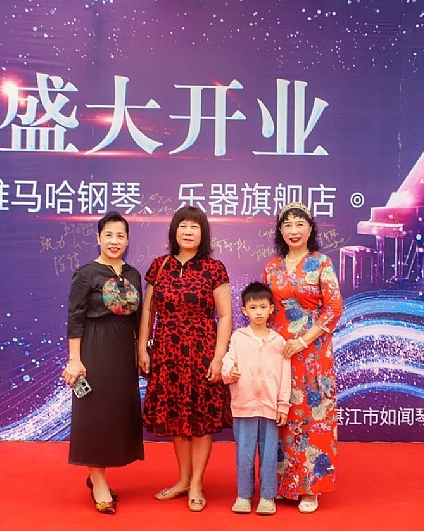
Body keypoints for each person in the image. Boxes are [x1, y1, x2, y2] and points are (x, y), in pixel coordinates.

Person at [137, 206, 233, 513]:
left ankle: (196, 484)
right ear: (174, 231)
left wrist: (219, 357)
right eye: (183, 226)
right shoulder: (159, 266)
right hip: (167, 353)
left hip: (202, 352)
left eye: (194, 227)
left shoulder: (214, 268)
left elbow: (225, 315)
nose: (188, 232)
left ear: (203, 233)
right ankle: (182, 480)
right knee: (177, 418)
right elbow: (148, 311)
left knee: (201, 421)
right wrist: (143, 349)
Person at [262, 202, 344, 514]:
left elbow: (334, 308)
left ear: (310, 229)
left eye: (300, 224)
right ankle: (282, 484)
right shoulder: (272, 267)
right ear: (280, 231)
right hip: (279, 350)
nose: (294, 231)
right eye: (287, 225)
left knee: (312, 415)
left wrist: (303, 341)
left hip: (313, 352)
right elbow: (264, 308)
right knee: (281, 414)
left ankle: (310, 486)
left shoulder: (322, 263)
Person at [62, 211, 144, 515]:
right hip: (94, 349)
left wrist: (141, 352)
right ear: (98, 238)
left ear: (127, 240)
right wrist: (75, 360)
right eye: (108, 234)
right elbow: (75, 318)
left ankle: (97, 475)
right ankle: (98, 482)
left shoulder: (133, 274)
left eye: (120, 235)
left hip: (123, 351)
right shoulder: (86, 274)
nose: (114, 241)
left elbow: (139, 318)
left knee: (115, 414)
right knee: (94, 415)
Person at [221, 282, 290, 516]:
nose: (258, 312)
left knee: (270, 455)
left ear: (271, 309)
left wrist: (283, 405)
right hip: (244, 406)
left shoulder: (279, 342)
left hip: (270, 408)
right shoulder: (238, 338)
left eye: (263, 307)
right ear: (244, 311)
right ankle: (243, 495)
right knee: (244, 454)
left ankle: (268, 496)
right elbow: (228, 362)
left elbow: (285, 376)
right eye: (253, 307)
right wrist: (229, 372)